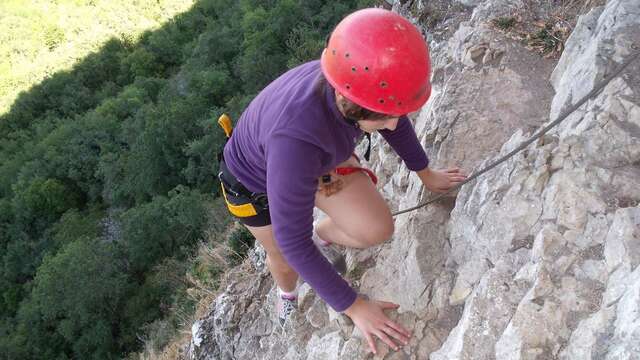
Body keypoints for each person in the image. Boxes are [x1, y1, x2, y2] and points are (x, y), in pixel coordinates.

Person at [217, 8, 466, 355]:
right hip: (252, 182)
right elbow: (291, 238)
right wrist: (353, 305)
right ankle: (286, 296)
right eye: (386, 119)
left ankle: (323, 232)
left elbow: (394, 119)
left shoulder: (352, 82)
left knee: (376, 228)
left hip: (315, 159)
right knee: (283, 256)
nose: (395, 125)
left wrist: (424, 172)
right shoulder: (295, 141)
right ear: (357, 109)